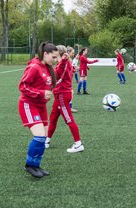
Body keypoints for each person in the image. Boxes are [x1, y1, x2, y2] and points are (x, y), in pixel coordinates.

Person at [18, 42, 58, 178]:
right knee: (39, 136)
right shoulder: (34, 67)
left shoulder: (47, 67)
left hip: (41, 106)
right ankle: (29, 165)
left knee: (44, 137)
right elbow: (23, 86)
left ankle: (36, 165)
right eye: (53, 57)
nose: (55, 60)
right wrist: (41, 93)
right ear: (45, 54)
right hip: (28, 105)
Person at [46, 46, 84, 153]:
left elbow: (57, 75)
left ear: (58, 53)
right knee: (53, 118)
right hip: (59, 95)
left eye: (54, 53)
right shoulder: (64, 63)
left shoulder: (63, 63)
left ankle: (78, 144)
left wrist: (62, 61)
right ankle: (46, 141)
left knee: (69, 119)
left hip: (62, 95)